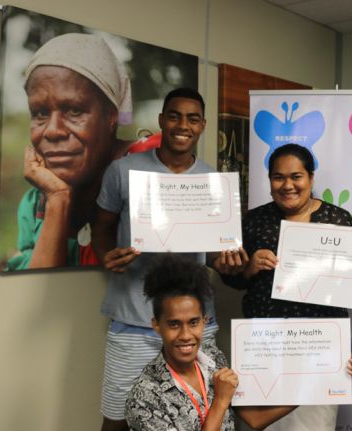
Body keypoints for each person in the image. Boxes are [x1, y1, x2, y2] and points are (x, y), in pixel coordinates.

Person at [92, 88, 247, 431]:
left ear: (203, 125)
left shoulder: (214, 182)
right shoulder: (123, 171)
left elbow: (210, 251)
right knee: (116, 418)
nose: (183, 125)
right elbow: (101, 227)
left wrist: (222, 262)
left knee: (202, 412)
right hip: (134, 318)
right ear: (162, 121)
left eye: (193, 118)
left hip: (193, 323)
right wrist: (108, 257)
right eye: (175, 116)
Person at [221, 143, 352, 430]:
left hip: (319, 348)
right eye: (278, 177)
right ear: (269, 181)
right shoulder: (254, 221)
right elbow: (230, 278)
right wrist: (249, 267)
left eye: (296, 176)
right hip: (265, 347)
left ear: (311, 178)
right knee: (261, 423)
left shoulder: (338, 220)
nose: (287, 185)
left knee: (314, 423)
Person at [126, 254, 352, 431]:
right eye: (174, 324)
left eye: (194, 322)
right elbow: (223, 402)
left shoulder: (213, 359)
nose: (186, 335)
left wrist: (323, 383)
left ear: (204, 321)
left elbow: (254, 419)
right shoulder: (144, 396)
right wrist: (221, 401)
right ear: (157, 325)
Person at [7, 33, 133, 270]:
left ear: (111, 118)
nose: (52, 131)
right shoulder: (35, 203)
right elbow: (38, 290)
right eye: (40, 113)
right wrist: (58, 197)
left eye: (74, 111)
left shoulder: (146, 178)